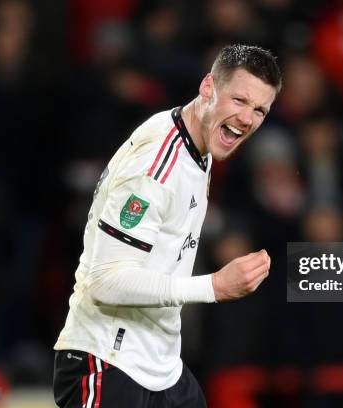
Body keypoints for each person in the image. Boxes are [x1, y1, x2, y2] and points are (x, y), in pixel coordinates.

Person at [53, 44, 281, 408]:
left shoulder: (199, 145)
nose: (247, 118)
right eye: (239, 100)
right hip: (108, 361)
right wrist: (215, 286)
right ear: (208, 87)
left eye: (259, 110)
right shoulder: (156, 166)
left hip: (161, 366)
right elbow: (105, 280)